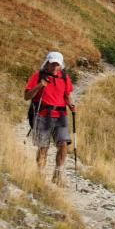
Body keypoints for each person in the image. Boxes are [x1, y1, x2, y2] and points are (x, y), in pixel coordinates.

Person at [24, 51, 75, 185]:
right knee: (43, 147)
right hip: (42, 115)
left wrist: (71, 104)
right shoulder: (38, 76)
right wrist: (40, 85)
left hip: (61, 116)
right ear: (47, 62)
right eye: (52, 63)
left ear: (60, 65)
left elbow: (67, 94)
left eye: (56, 64)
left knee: (63, 145)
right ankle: (39, 175)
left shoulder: (64, 77)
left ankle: (57, 174)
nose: (54, 67)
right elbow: (27, 96)